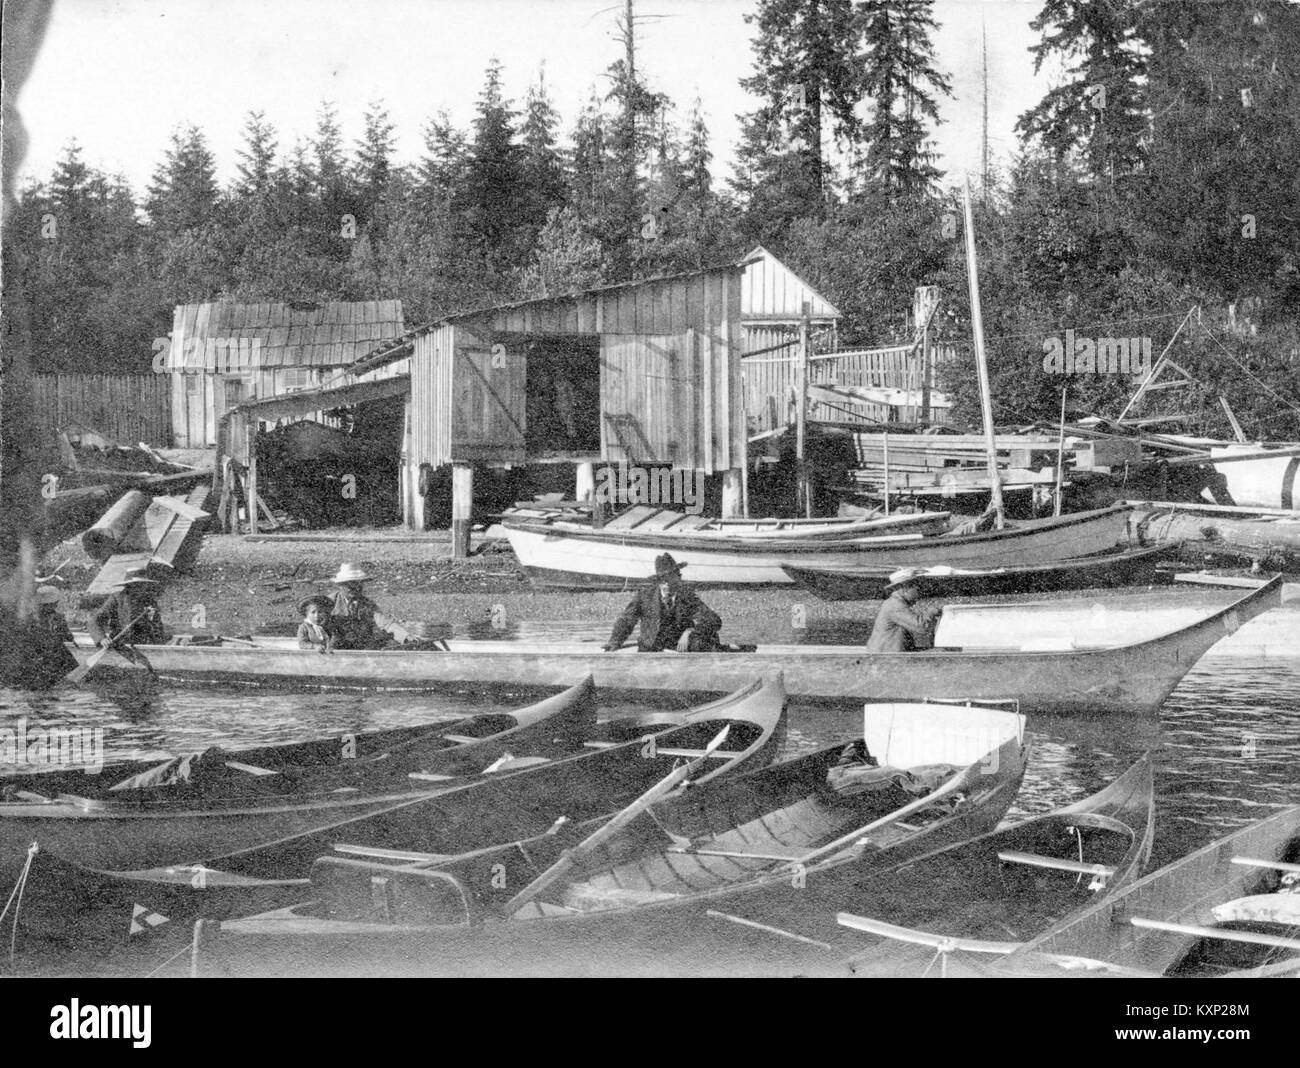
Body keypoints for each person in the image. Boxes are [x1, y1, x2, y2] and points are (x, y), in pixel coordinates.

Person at [603, 553, 723, 652]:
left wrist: (690, 631)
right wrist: (614, 641)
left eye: (670, 578)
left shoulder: (687, 597)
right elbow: (626, 621)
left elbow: (714, 620)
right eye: (662, 580)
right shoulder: (644, 596)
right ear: (658, 581)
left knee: (702, 642)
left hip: (678, 650)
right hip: (650, 650)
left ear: (678, 577)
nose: (666, 584)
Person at [327, 564, 409, 650]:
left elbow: (385, 623)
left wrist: (405, 636)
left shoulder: (368, 604)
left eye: (357, 584)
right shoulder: (329, 601)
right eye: (349, 585)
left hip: (362, 647)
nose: (354, 588)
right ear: (340, 586)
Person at [865, 568, 942, 653]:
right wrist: (930, 613)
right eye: (917, 587)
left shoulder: (894, 603)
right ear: (905, 588)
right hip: (886, 656)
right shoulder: (895, 606)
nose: (919, 591)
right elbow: (921, 627)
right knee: (941, 651)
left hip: (885, 652)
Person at [88, 568, 168, 648]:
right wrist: (102, 638)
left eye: (143, 584)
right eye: (137, 585)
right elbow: (94, 620)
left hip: (145, 644)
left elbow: (158, 629)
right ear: (129, 585)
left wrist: (152, 619)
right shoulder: (117, 599)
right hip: (120, 644)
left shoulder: (149, 600)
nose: (141, 588)